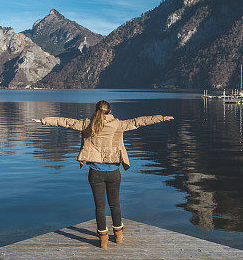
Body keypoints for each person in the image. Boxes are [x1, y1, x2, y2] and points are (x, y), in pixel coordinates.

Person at [33, 100, 173, 249]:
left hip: (95, 173)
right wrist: (161, 118)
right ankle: (118, 236)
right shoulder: (117, 124)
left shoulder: (88, 124)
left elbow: (66, 122)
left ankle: (103, 240)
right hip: (113, 173)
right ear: (110, 112)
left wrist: (44, 120)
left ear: (96, 111)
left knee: (100, 207)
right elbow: (138, 122)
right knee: (115, 204)